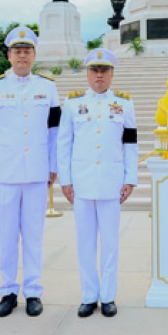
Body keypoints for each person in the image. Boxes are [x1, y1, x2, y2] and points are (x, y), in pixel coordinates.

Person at [0, 26, 61, 318]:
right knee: (6, 235)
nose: (22, 56)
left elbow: (55, 131)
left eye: (27, 51)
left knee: (34, 234)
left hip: (37, 171)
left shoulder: (48, 87)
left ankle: (33, 291)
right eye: (17, 51)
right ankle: (8, 290)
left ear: (34, 55)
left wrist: (53, 165)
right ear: (9, 56)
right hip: (5, 172)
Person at [57, 48, 138, 318]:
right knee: (85, 243)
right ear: (87, 74)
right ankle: (89, 295)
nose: (99, 75)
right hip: (81, 183)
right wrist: (66, 180)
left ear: (112, 74)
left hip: (111, 183)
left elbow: (130, 144)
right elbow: (64, 143)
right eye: (94, 70)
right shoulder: (72, 103)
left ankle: (108, 296)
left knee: (111, 244)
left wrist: (130, 178)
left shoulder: (124, 103)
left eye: (104, 70)